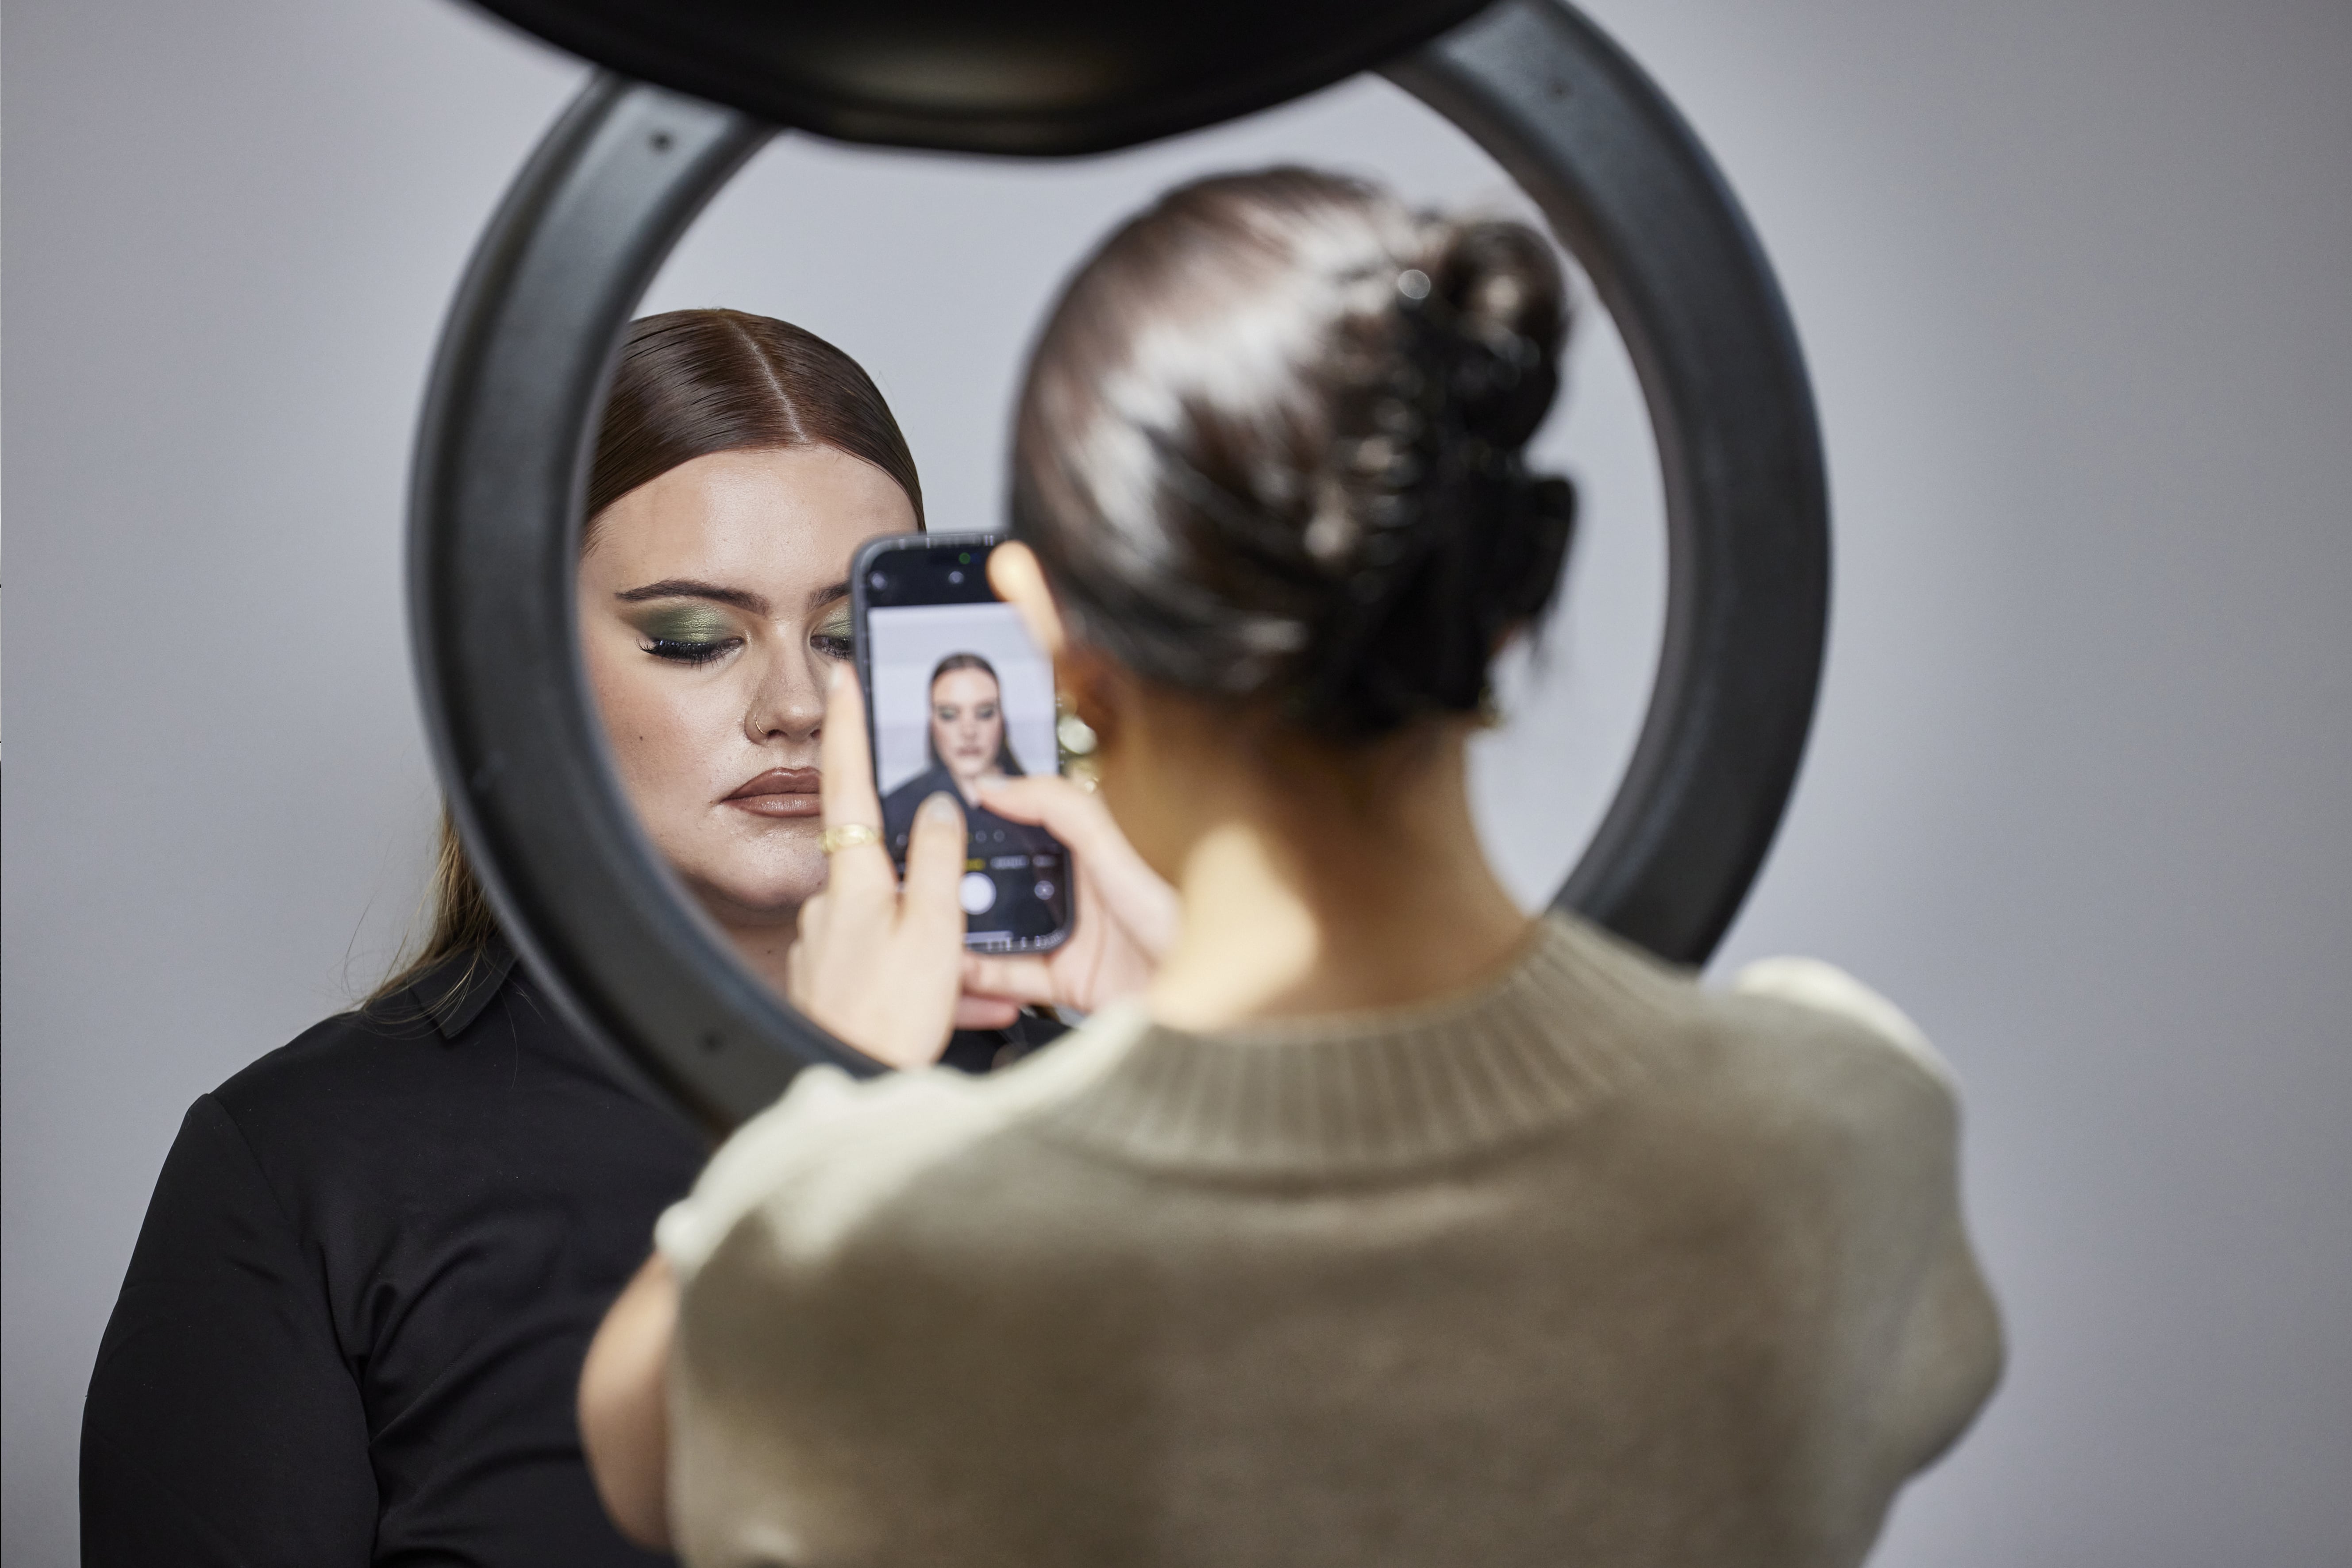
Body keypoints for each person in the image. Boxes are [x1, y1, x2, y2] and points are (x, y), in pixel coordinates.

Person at [580, 172, 2004, 1566]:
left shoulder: (882, 1245)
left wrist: (833, 1094)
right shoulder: (1841, 1120)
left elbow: (646, 1458)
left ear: (1050, 643)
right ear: (1506, 606)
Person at [79, 309, 1026, 1567]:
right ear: (524, 666)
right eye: (695, 635)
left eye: (850, 635)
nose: (795, 704)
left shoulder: (1104, 1100)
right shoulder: (305, 1163)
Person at [880, 653, 1064, 944]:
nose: (968, 731)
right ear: (932, 721)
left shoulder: (1048, 809)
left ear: (1002, 719)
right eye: (950, 714)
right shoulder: (894, 810)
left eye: (984, 712)